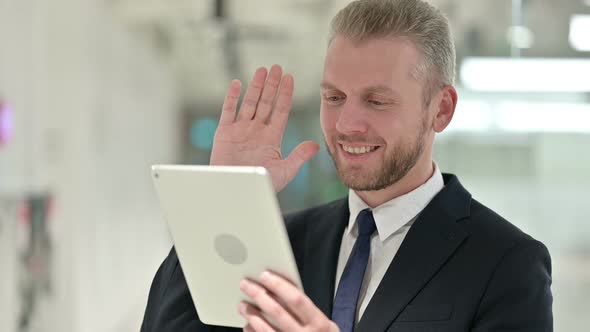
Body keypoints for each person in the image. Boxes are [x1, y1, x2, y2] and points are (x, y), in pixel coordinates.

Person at [140, 0, 553, 331]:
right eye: (334, 97)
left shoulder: (506, 263)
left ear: (440, 110)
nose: (347, 125)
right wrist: (222, 199)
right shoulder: (282, 242)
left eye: (376, 101)